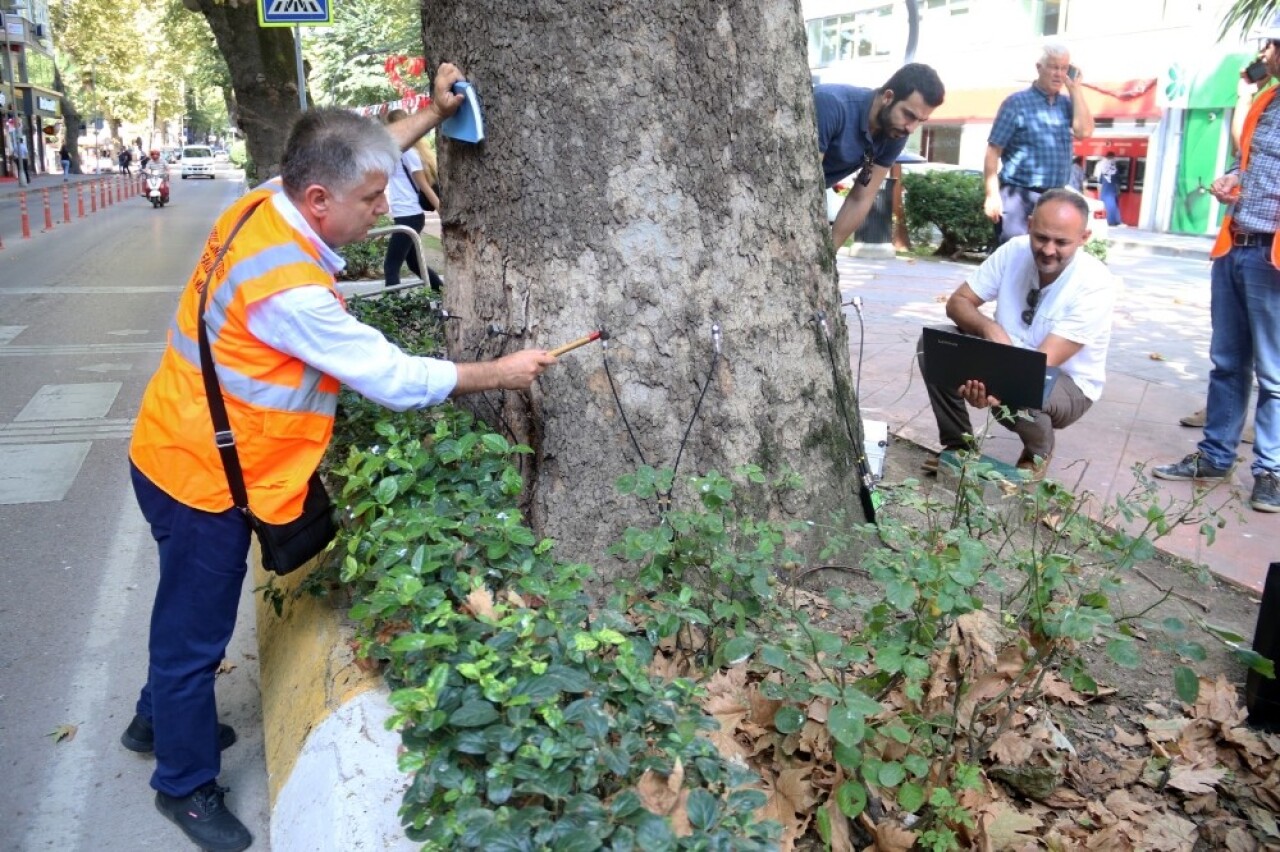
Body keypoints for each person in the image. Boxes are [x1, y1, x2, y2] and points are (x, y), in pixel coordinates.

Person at [123, 64, 557, 852]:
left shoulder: (266, 199)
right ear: (319, 200)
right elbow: (389, 376)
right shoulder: (288, 289)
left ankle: (155, 721)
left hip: (167, 444)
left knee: (178, 612)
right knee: (193, 637)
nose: (381, 210)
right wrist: (501, 372)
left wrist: (431, 114)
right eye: (370, 202)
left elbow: (362, 153)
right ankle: (181, 786)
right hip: (205, 479)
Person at [1153, 15, 1280, 514]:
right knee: (1228, 364)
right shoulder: (1266, 102)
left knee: (1273, 375)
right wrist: (1232, 178)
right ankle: (1215, 455)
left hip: (1272, 255)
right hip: (1236, 246)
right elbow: (1246, 161)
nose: (1268, 52)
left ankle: (1269, 471)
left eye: (1274, 44)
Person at [920, 189, 1114, 476]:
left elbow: (1039, 365)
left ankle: (1036, 455)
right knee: (934, 345)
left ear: (1084, 238)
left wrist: (987, 382)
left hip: (1067, 382)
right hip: (1006, 357)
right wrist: (989, 328)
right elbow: (958, 302)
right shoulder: (1013, 250)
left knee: (1024, 391)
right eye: (1041, 237)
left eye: (1061, 242)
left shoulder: (1096, 283)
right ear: (1030, 225)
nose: (1048, 250)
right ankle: (959, 447)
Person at [815, 63, 945, 249]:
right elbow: (804, 185)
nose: (911, 128)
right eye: (909, 115)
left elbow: (861, 198)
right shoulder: (832, 105)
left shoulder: (895, 132)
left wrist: (829, 253)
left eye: (920, 121)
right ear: (888, 97)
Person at [984, 42, 1095, 245]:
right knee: (1013, 258)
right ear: (1039, 67)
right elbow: (993, 151)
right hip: (1018, 195)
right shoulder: (1016, 103)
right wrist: (992, 195)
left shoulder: (1067, 104)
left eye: (1064, 68)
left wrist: (1075, 90)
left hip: (1055, 196)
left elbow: (1084, 131)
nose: (1059, 74)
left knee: (1047, 261)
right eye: (1053, 67)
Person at [383, 108, 444, 291]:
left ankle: (393, 312)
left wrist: (443, 214)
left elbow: (424, 186)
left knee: (391, 266)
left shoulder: (408, 154)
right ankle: (441, 293)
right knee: (414, 265)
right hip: (404, 215)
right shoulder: (397, 153)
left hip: (410, 216)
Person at [1094, 150, 1121, 226]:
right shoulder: (1115, 171)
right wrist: (1118, 192)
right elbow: (1118, 183)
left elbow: (1099, 181)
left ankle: (1100, 221)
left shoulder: (1102, 168)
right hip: (1111, 191)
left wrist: (1099, 192)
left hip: (1104, 191)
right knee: (1112, 207)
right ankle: (1112, 222)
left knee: (1102, 206)